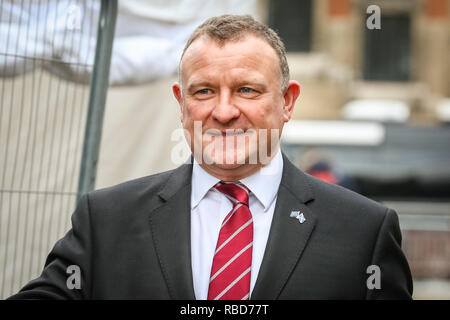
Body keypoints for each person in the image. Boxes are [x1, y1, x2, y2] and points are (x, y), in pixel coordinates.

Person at [9, 14, 412, 300]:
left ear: (287, 102)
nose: (223, 112)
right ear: (181, 104)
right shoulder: (106, 219)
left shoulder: (364, 232)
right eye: (203, 92)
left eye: (247, 91)